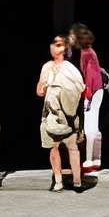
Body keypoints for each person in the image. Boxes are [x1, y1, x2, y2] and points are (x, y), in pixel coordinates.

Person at [36, 33, 84, 191]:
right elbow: (39, 90)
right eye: (53, 44)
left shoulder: (71, 69)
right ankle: (58, 181)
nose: (55, 48)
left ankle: (77, 181)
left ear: (65, 48)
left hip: (68, 114)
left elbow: (79, 89)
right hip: (52, 114)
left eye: (59, 45)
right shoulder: (47, 67)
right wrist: (43, 87)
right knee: (54, 148)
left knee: (72, 148)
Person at [72, 24, 105, 179]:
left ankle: (89, 160)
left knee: (89, 126)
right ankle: (96, 159)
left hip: (93, 90)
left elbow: (90, 73)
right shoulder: (91, 52)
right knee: (95, 126)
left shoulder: (86, 53)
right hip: (98, 89)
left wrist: (88, 93)